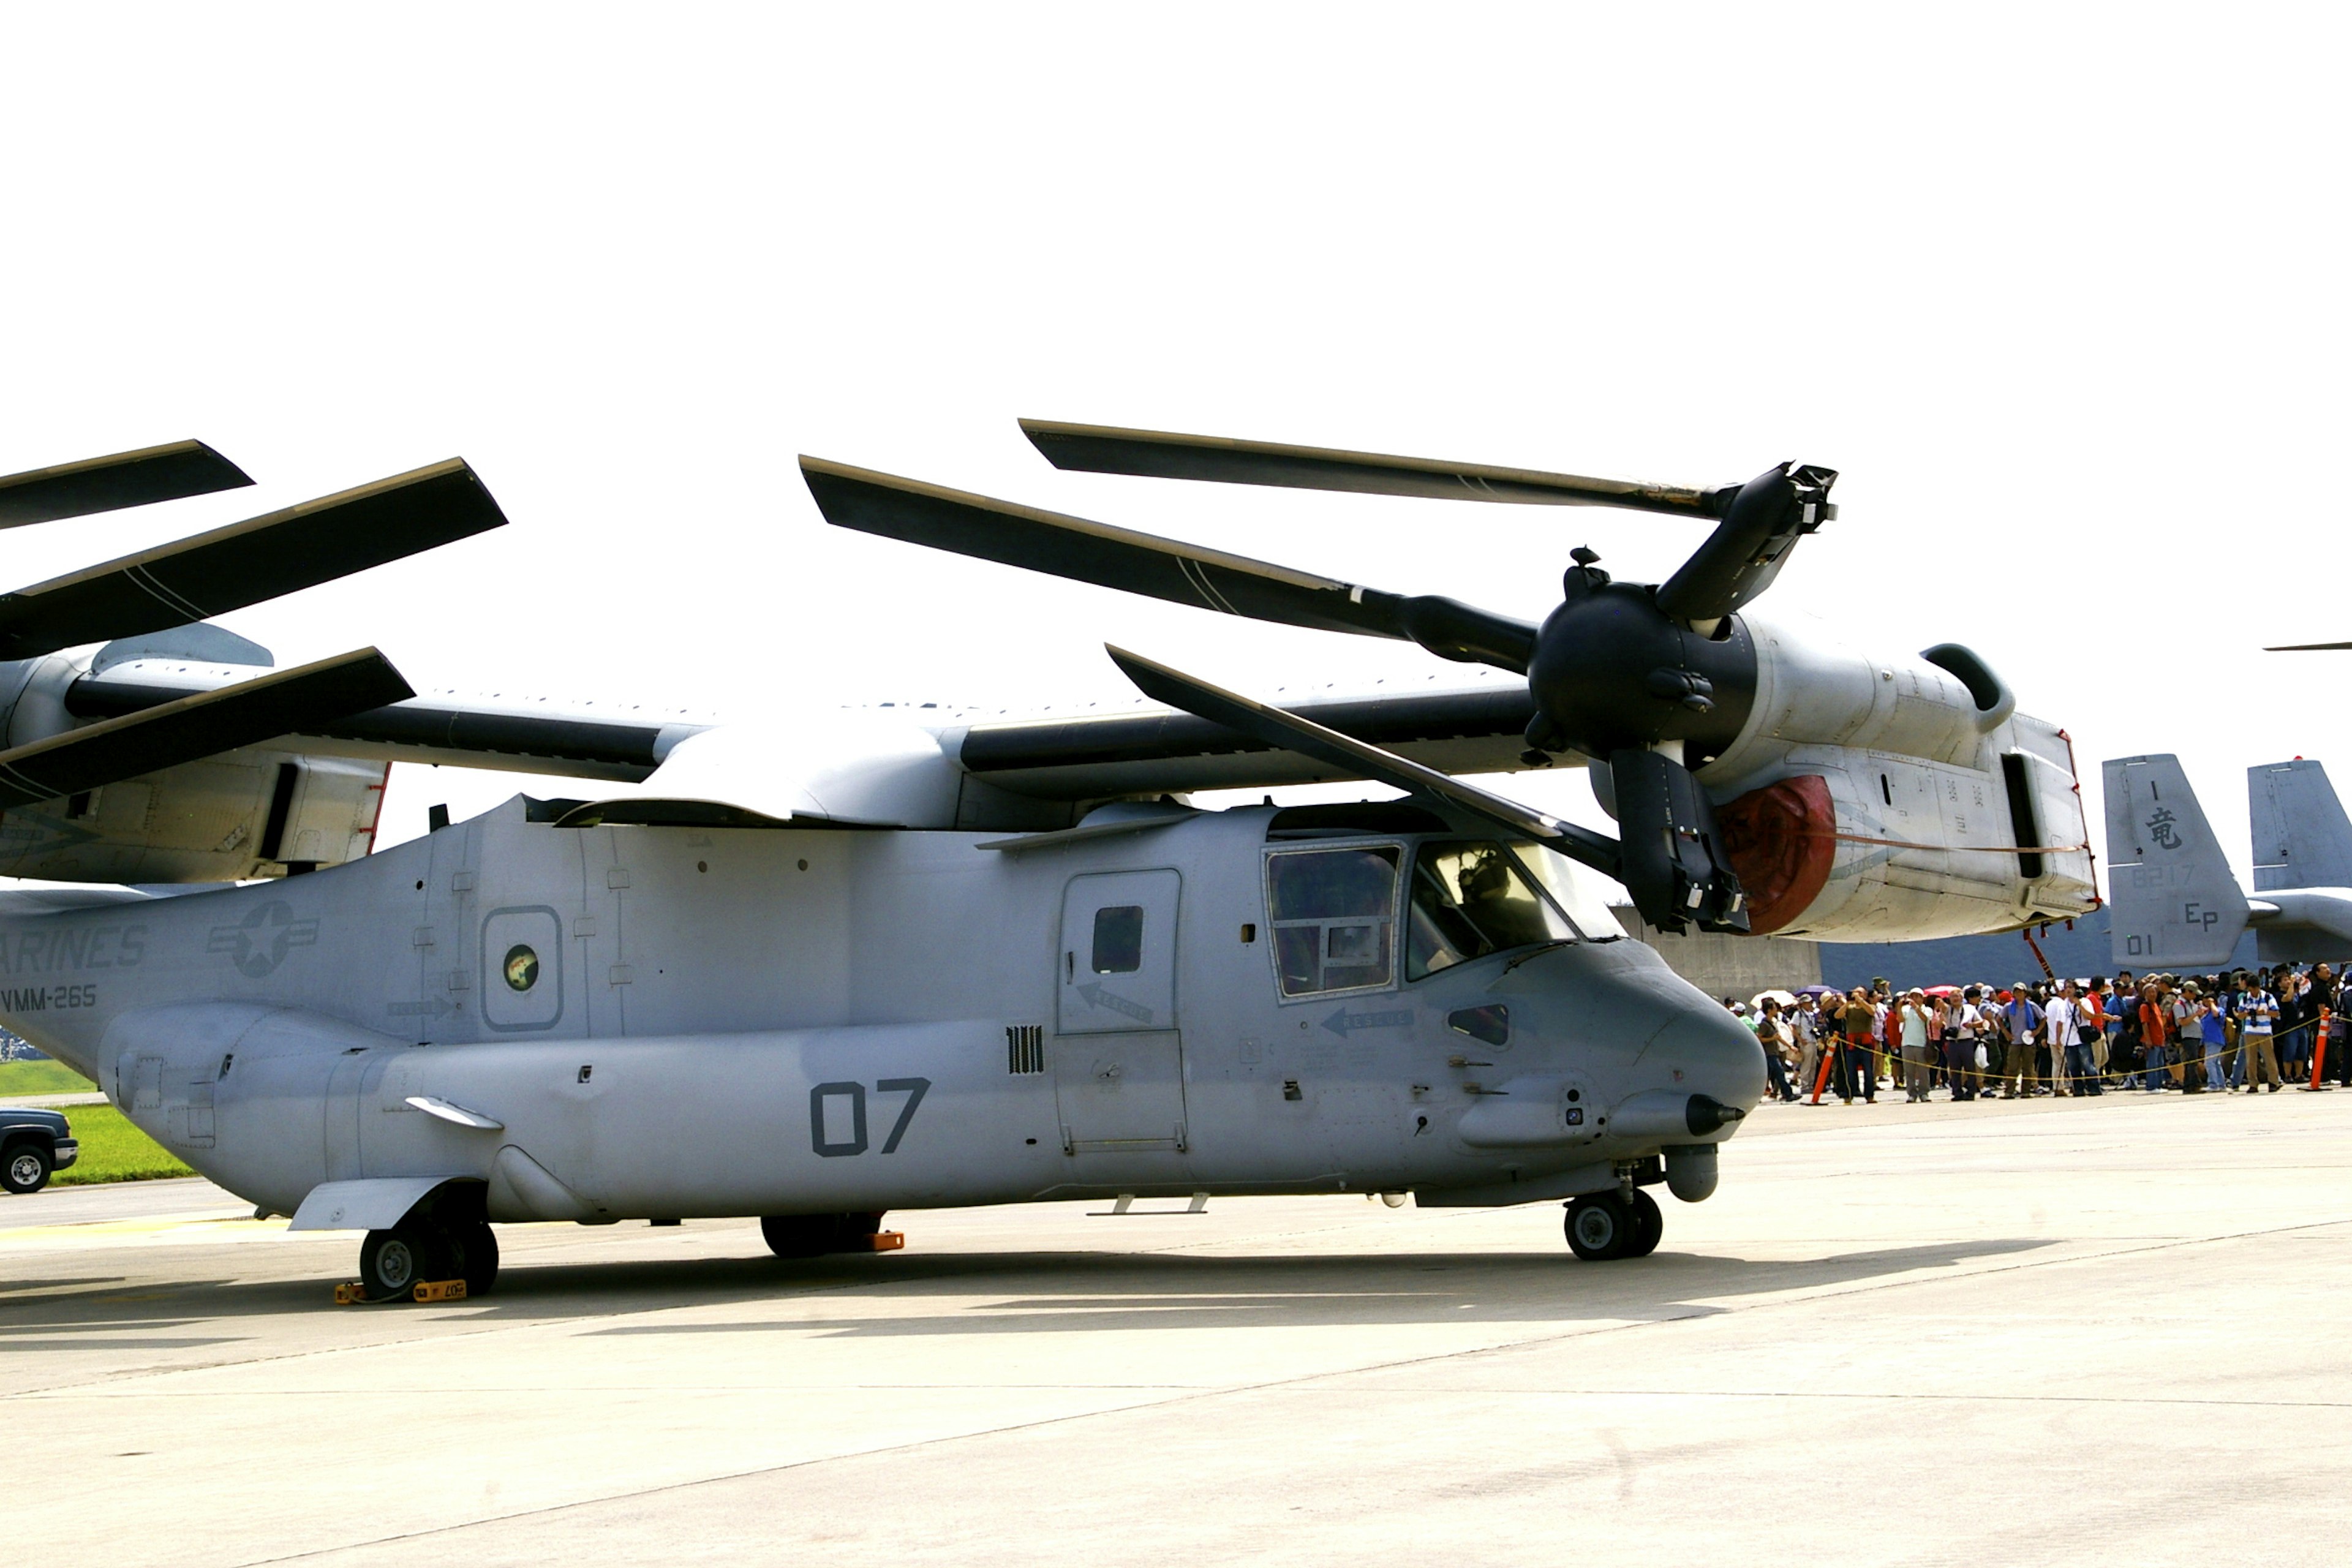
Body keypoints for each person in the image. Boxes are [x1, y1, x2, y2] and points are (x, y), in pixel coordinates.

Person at [2001, 983, 2043, 1098]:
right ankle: (2009, 1091)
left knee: (2028, 1067)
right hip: (2015, 1040)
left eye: (2021, 992)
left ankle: (2026, 1091)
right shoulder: (2009, 1007)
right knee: (2012, 1067)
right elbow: (1999, 1019)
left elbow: (2044, 1018)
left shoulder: (2032, 1006)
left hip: (2028, 1040)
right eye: (2016, 992)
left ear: (2025, 993)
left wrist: (2037, 1031)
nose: (2018, 994)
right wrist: (2006, 1032)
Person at [2241, 976, 2282, 1092]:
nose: (2252, 992)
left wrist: (2264, 1012)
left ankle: (2273, 1082)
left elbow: (2276, 1013)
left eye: (2254, 989)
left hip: (2265, 1031)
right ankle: (2253, 1084)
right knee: (2250, 1059)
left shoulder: (2268, 997)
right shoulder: (2245, 999)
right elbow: (2239, 1014)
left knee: (2269, 1058)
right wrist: (2248, 1013)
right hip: (2250, 1031)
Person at [1755, 997, 1800, 1103]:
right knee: (1780, 1073)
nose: (1776, 1009)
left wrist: (1790, 1047)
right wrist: (1772, 1039)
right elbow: (1759, 1038)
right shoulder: (1764, 1024)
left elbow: (1779, 1037)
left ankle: (1779, 1093)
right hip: (1769, 1053)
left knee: (1770, 1075)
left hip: (1775, 1051)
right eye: (1774, 1007)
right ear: (1769, 1010)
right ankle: (1788, 1094)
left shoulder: (1773, 1022)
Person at [1945, 987, 1983, 1100]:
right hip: (1952, 1042)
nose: (1955, 999)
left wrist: (1971, 1025)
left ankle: (1971, 1092)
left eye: (1957, 996)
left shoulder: (1970, 1009)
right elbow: (1940, 1007)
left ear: (1962, 998)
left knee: (1970, 1068)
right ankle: (1957, 1092)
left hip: (1967, 1041)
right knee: (1954, 1069)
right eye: (1952, 996)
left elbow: (1982, 1022)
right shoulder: (1948, 1010)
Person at [1897, 989, 1934, 1102]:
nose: (1915, 999)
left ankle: (1924, 1093)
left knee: (1923, 1070)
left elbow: (1925, 1019)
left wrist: (1917, 1008)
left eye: (1918, 997)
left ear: (1922, 999)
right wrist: (1899, 1006)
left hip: (1921, 1043)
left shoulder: (1927, 1009)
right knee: (1909, 1071)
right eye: (1913, 996)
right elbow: (1900, 1019)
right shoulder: (1905, 1009)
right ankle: (1912, 1093)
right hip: (1907, 1043)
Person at [2045, 982, 2079, 1096]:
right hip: (2063, 1038)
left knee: (2057, 1064)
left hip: (2052, 1038)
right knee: (2071, 1063)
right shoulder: (2062, 1005)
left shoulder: (2049, 1004)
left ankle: (2058, 1087)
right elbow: (2061, 1023)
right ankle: (2075, 1086)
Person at [2137, 981, 2171, 1091]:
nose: (2153, 994)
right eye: (2150, 992)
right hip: (2152, 1039)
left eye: (2154, 992)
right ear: (2145, 994)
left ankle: (2158, 1085)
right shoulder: (2145, 1007)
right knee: (2152, 1064)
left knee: (2160, 1064)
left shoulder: (2156, 1005)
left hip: (2160, 1039)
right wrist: (2148, 1039)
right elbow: (2145, 1024)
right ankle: (2151, 1086)